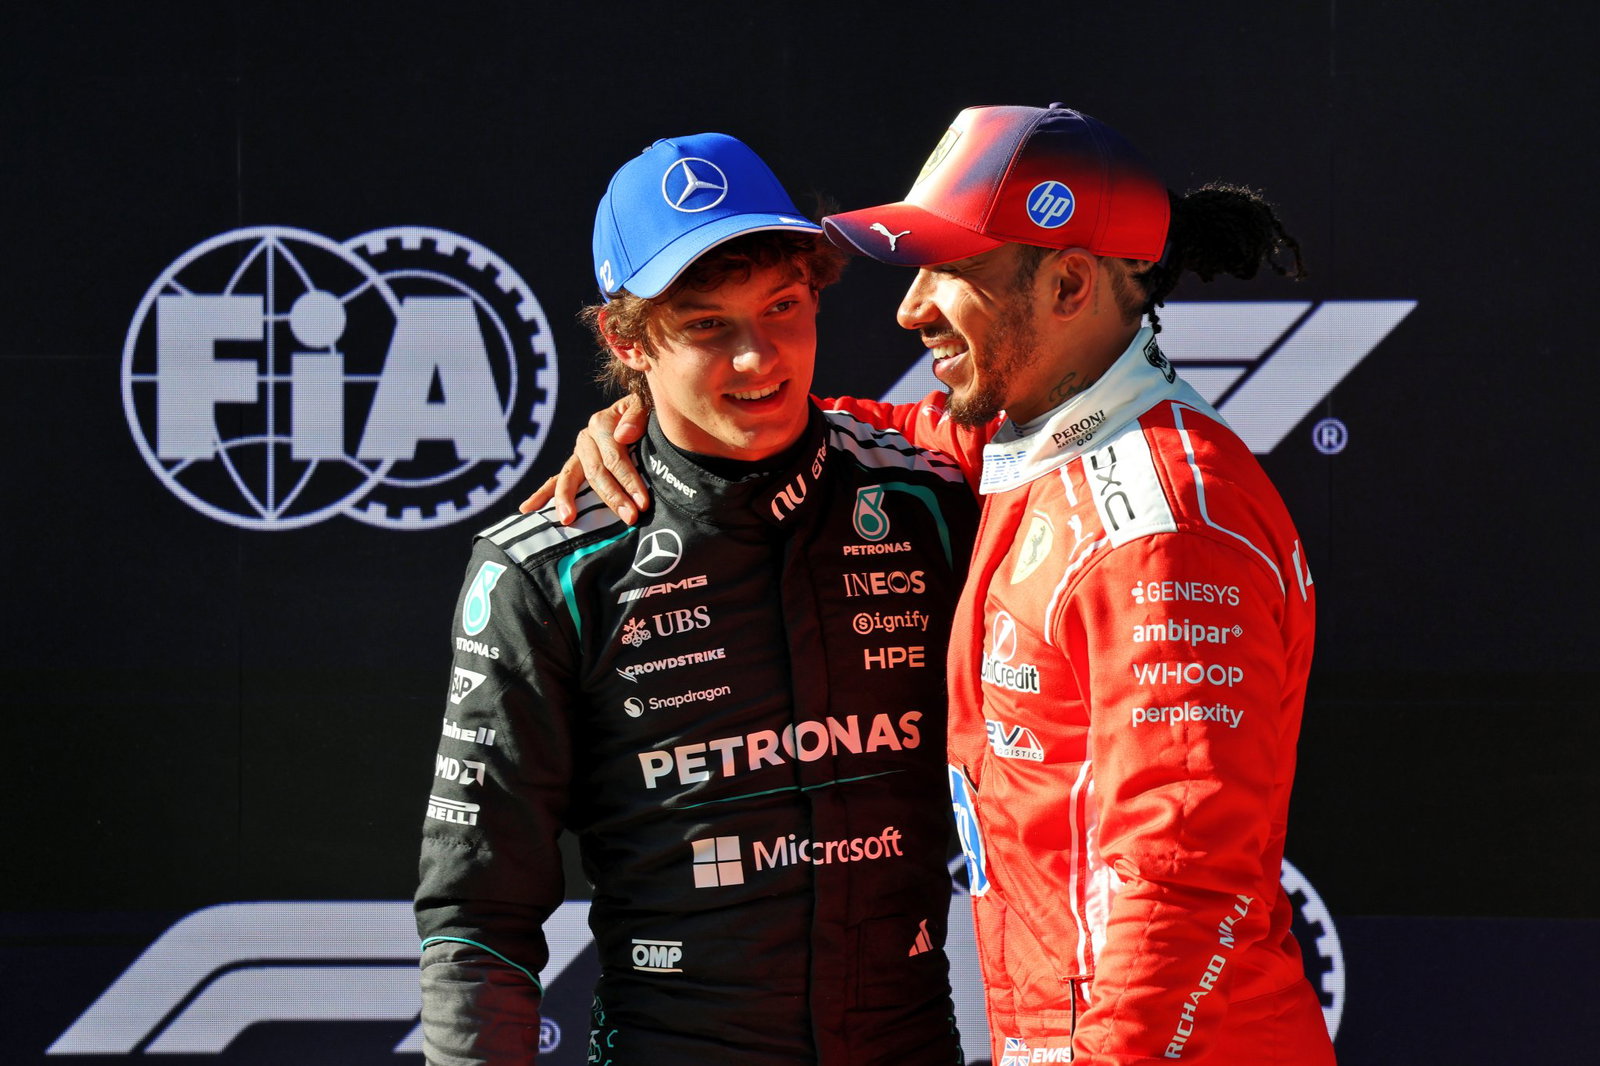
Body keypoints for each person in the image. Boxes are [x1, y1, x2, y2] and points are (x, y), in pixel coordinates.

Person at [533, 104, 1336, 1065]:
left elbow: (1175, 886)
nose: (911, 309)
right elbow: (840, 428)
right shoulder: (1021, 444)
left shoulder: (1161, 529)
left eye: (950, 271)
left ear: (1071, 282)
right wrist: (660, 416)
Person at [414, 131, 976, 1065]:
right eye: (708, 325)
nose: (760, 358)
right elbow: (478, 913)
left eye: (784, 307)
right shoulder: (546, 569)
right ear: (625, 339)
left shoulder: (934, 499)